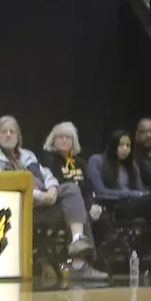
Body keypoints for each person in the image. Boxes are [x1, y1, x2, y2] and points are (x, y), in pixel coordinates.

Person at [0, 115, 98, 272]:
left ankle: (78, 241)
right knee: (75, 208)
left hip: (43, 204)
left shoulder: (27, 155)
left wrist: (52, 189)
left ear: (18, 136)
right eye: (4, 132)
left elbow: (46, 175)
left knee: (71, 191)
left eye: (12, 132)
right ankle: (81, 267)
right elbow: (4, 186)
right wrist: (38, 195)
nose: (8, 135)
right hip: (17, 210)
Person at [39, 121, 109, 282]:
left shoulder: (81, 163)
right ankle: (81, 266)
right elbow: (49, 186)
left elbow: (88, 190)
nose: (64, 140)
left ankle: (96, 261)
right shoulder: (48, 160)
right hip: (56, 204)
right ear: (53, 140)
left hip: (79, 204)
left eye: (68, 137)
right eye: (60, 137)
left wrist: (93, 205)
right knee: (81, 212)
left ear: (74, 141)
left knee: (102, 217)